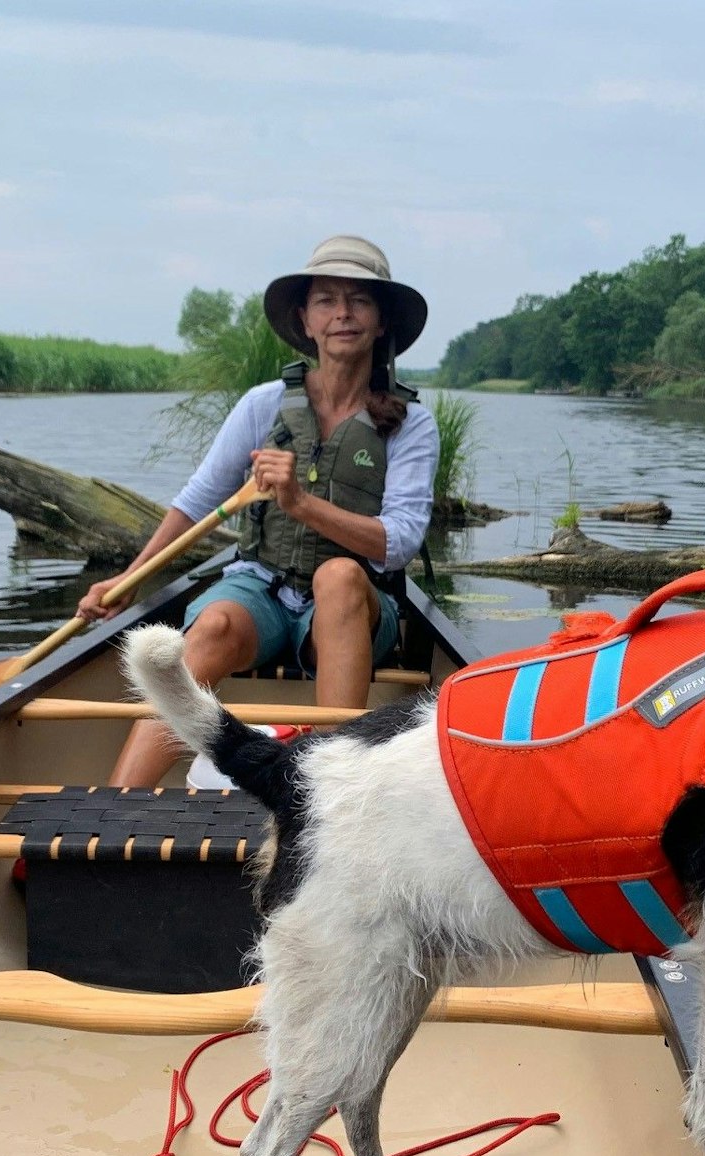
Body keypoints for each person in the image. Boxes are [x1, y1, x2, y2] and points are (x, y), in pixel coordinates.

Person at [78, 235, 437, 788]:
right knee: (212, 624)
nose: (342, 313)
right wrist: (133, 576)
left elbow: (400, 542)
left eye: (359, 301)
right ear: (306, 319)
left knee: (338, 576)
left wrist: (300, 503)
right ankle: (113, 807)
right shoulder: (264, 404)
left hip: (354, 607)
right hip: (262, 586)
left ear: (381, 321)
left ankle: (331, 796)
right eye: (326, 300)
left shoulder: (412, 423)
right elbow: (199, 499)